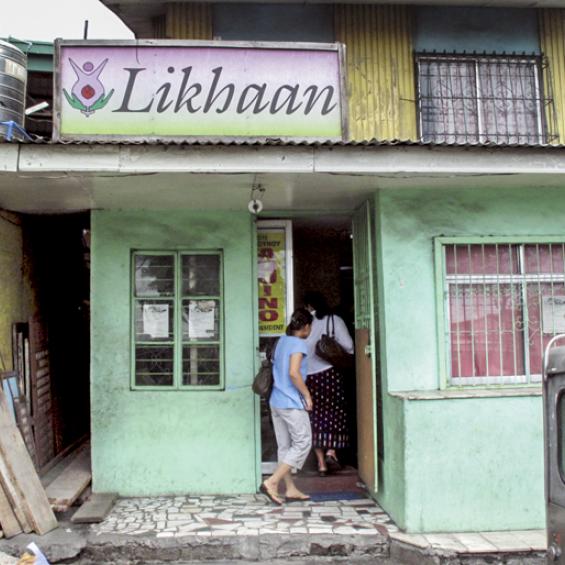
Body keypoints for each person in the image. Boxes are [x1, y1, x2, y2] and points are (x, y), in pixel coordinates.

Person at [260, 308, 314, 505]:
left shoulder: (281, 341)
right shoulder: (299, 344)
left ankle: (290, 489)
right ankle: (272, 482)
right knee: (303, 442)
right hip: (291, 402)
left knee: (285, 446)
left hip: (276, 400)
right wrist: (307, 395)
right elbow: (293, 373)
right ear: (306, 327)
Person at [303, 291, 354, 476]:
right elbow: (349, 346)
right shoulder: (335, 320)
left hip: (308, 378)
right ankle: (332, 451)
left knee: (314, 418)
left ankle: (321, 464)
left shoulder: (305, 324)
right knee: (334, 415)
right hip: (330, 375)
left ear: (309, 306)